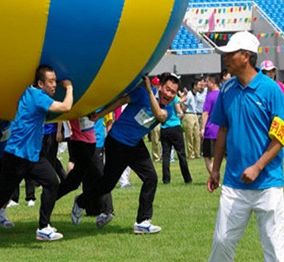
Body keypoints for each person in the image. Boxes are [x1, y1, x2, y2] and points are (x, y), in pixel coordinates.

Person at [207, 31, 284, 262]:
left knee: (274, 247)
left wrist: (258, 167)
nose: (225, 58)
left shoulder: (271, 90)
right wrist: (215, 170)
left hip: (268, 183)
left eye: (230, 54)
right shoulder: (226, 90)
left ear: (246, 56)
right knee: (222, 241)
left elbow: (282, 134)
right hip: (234, 183)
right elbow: (222, 130)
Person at [0, 65, 73, 248]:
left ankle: (44, 227)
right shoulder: (37, 97)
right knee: (1, 195)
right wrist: (70, 87)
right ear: (40, 83)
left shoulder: (30, 91)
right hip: (16, 156)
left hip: (33, 155)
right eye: (50, 82)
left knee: (52, 182)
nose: (54, 85)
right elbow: (66, 107)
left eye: (55, 81)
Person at [71, 74, 179, 234]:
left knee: (151, 178)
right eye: (167, 89)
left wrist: (150, 92)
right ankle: (80, 202)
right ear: (161, 86)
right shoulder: (142, 93)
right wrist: (100, 116)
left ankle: (142, 222)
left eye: (173, 93)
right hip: (117, 142)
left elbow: (159, 115)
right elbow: (121, 101)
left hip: (135, 144)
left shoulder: (167, 109)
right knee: (107, 184)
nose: (169, 95)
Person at [56, 115, 114, 226]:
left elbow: (108, 116)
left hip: (97, 141)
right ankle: (99, 209)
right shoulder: (79, 100)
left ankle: (97, 210)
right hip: (80, 142)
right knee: (97, 177)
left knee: (79, 179)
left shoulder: (99, 102)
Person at [159, 75, 192, 185]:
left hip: (164, 127)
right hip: (175, 126)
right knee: (181, 154)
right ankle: (187, 178)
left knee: (166, 155)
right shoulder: (174, 97)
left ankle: (166, 179)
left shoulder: (161, 97)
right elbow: (179, 111)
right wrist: (182, 106)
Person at [200, 74, 220, 175]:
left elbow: (205, 113)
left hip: (210, 131)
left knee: (207, 156)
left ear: (212, 83)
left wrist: (202, 128)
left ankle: (214, 176)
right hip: (222, 130)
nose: (206, 84)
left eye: (207, 82)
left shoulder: (210, 96)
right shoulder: (222, 95)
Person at [183, 80, 201, 160]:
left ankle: (197, 153)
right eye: (199, 85)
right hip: (189, 114)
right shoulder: (189, 95)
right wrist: (183, 115)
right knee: (189, 136)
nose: (200, 86)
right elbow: (184, 106)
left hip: (195, 114)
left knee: (197, 135)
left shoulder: (196, 94)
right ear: (194, 86)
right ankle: (191, 154)